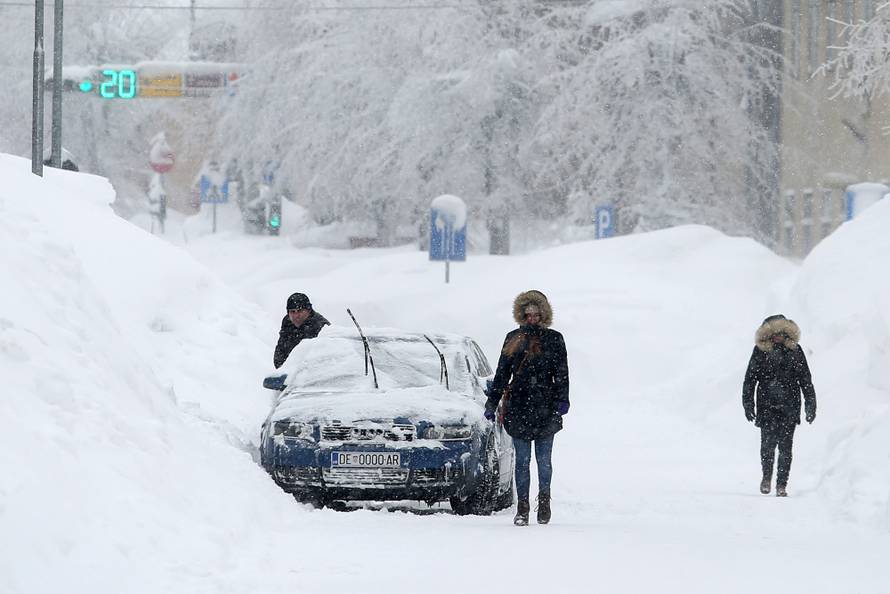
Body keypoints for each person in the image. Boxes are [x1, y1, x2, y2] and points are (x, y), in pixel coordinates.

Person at [484, 290, 569, 525]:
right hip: (519, 406)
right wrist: (492, 402)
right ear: (521, 315)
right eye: (528, 314)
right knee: (521, 460)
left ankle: (544, 501)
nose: (532, 318)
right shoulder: (513, 338)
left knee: (544, 460)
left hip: (545, 405)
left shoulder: (554, 339)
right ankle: (522, 507)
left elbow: (562, 373)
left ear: (544, 315)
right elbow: (502, 373)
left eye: (536, 314)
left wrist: (563, 400)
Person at [742, 314, 817, 497]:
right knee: (767, 446)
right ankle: (766, 477)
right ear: (768, 335)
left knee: (785, 447)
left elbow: (805, 380)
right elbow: (750, 379)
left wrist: (810, 404)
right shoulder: (760, 351)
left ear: (787, 334)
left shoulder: (795, 351)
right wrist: (748, 403)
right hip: (767, 406)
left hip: (789, 407)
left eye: (781, 333)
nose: (778, 337)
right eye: (774, 333)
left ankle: (782, 485)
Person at [273, 292, 330, 369]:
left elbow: (326, 359)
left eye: (300, 311)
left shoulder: (321, 326)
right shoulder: (287, 322)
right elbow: (280, 354)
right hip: (292, 374)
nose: (296, 316)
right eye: (292, 312)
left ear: (308, 310)